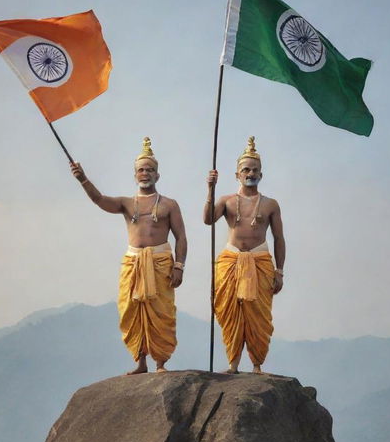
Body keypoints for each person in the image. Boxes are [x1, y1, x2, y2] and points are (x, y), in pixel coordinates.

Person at [70, 137, 187, 374]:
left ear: (157, 175)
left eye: (150, 170)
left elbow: (181, 237)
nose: (145, 173)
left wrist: (179, 266)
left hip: (160, 262)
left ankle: (161, 362)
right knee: (132, 311)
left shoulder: (169, 205)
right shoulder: (126, 203)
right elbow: (99, 200)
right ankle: (141, 362)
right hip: (133, 263)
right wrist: (83, 179)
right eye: (141, 170)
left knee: (161, 312)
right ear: (135, 175)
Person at [204, 136, 286, 374]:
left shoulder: (270, 204)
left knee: (258, 315)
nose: (250, 173)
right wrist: (210, 189)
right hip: (231, 260)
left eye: (255, 169)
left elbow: (279, 238)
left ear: (261, 174)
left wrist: (279, 271)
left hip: (260, 260)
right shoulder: (226, 200)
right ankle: (233, 364)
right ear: (237, 174)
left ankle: (257, 365)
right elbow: (208, 219)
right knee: (230, 311)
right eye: (246, 169)